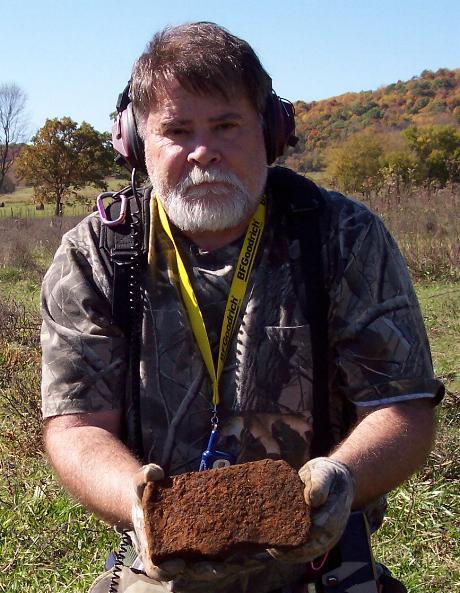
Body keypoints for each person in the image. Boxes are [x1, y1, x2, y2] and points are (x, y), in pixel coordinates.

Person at [41, 22, 443, 593]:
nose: (203, 150)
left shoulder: (343, 235)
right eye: (177, 130)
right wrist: (138, 499)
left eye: (226, 125)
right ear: (135, 143)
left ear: (271, 131)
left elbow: (403, 408)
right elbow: (76, 427)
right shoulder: (98, 254)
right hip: (162, 560)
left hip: (320, 557)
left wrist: (343, 478)